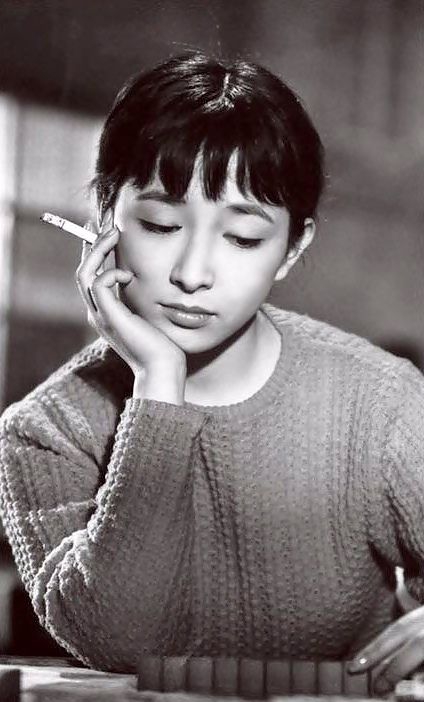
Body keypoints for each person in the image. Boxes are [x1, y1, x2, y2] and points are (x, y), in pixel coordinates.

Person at [0, 52, 423, 690]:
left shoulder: (379, 402)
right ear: (105, 221)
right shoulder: (44, 431)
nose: (193, 274)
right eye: (160, 224)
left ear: (292, 249)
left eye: (244, 238)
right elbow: (118, 643)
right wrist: (158, 386)